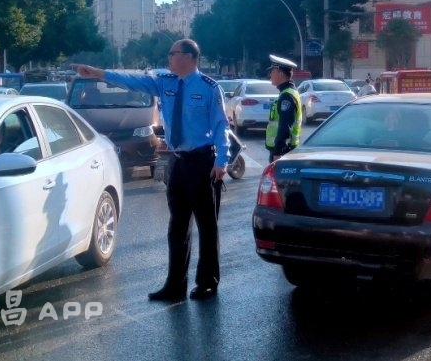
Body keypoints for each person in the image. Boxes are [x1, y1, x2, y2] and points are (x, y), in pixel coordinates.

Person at [73, 38, 230, 302]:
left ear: (190, 57)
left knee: (207, 226)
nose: (169, 57)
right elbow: (133, 80)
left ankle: (207, 283)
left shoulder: (209, 88)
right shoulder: (165, 82)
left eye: (173, 53)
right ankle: (175, 285)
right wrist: (98, 73)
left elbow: (220, 126)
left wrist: (222, 161)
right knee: (177, 226)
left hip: (203, 162)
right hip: (177, 162)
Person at [265, 54, 302, 163]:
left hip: (284, 152)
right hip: (286, 150)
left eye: (272, 71)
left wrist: (278, 152)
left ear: (280, 73)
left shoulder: (287, 96)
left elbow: (285, 127)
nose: (270, 74)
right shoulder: (288, 93)